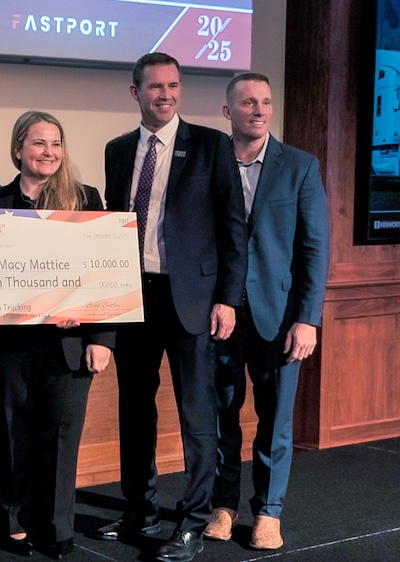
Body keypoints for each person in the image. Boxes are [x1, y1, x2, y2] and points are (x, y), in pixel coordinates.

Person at [94, 53, 247, 562]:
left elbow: (233, 230)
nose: (166, 95)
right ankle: (140, 509)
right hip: (133, 297)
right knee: (134, 411)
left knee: (197, 416)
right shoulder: (117, 151)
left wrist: (228, 298)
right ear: (134, 92)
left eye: (174, 86)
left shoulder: (211, 145)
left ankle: (194, 521)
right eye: (155, 87)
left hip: (193, 301)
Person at [0, 111, 115, 559]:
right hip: (11, 347)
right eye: (39, 144)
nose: (49, 152)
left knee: (60, 440)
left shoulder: (86, 199)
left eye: (56, 144)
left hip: (70, 347)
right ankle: (15, 519)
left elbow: (108, 272)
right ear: (18, 149)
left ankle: (57, 528)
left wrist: (102, 337)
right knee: (14, 435)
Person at [202, 73, 330, 550]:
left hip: (281, 318)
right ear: (227, 112)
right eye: (248, 103)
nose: (259, 110)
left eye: (266, 103)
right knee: (222, 415)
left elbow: (315, 248)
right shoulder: (208, 164)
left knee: (275, 418)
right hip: (221, 315)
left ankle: (269, 512)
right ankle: (223, 504)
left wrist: (308, 318)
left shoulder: (299, 166)